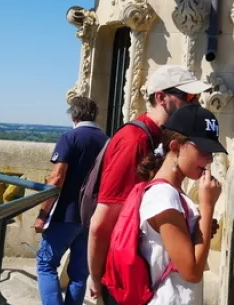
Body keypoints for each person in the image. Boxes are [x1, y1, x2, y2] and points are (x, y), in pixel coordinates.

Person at [87, 65, 210, 303]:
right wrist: (95, 277)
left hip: (141, 275)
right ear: (161, 97)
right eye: (188, 97)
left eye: (197, 98)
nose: (195, 105)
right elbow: (101, 223)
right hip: (123, 279)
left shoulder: (159, 137)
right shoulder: (136, 141)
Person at [131, 104, 225, 305]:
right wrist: (207, 207)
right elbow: (191, 272)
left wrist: (202, 227)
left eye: (212, 151)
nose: (209, 159)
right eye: (203, 149)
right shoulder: (164, 197)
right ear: (175, 147)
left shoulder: (173, 192)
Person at [34, 96, 108, 305]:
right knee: (78, 274)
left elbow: (57, 177)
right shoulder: (107, 141)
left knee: (46, 265)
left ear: (73, 114)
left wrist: (42, 214)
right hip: (93, 216)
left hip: (65, 214)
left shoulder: (69, 137)